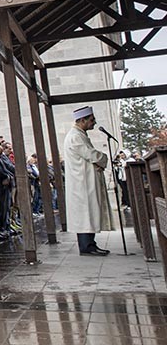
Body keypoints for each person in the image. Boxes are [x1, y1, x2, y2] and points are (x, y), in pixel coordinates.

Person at [64, 106, 111, 256]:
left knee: (89, 212)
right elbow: (90, 154)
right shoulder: (75, 136)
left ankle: (91, 244)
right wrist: (103, 158)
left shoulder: (80, 134)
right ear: (82, 120)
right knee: (85, 213)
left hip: (85, 180)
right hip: (82, 183)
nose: (94, 122)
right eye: (91, 120)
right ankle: (87, 246)